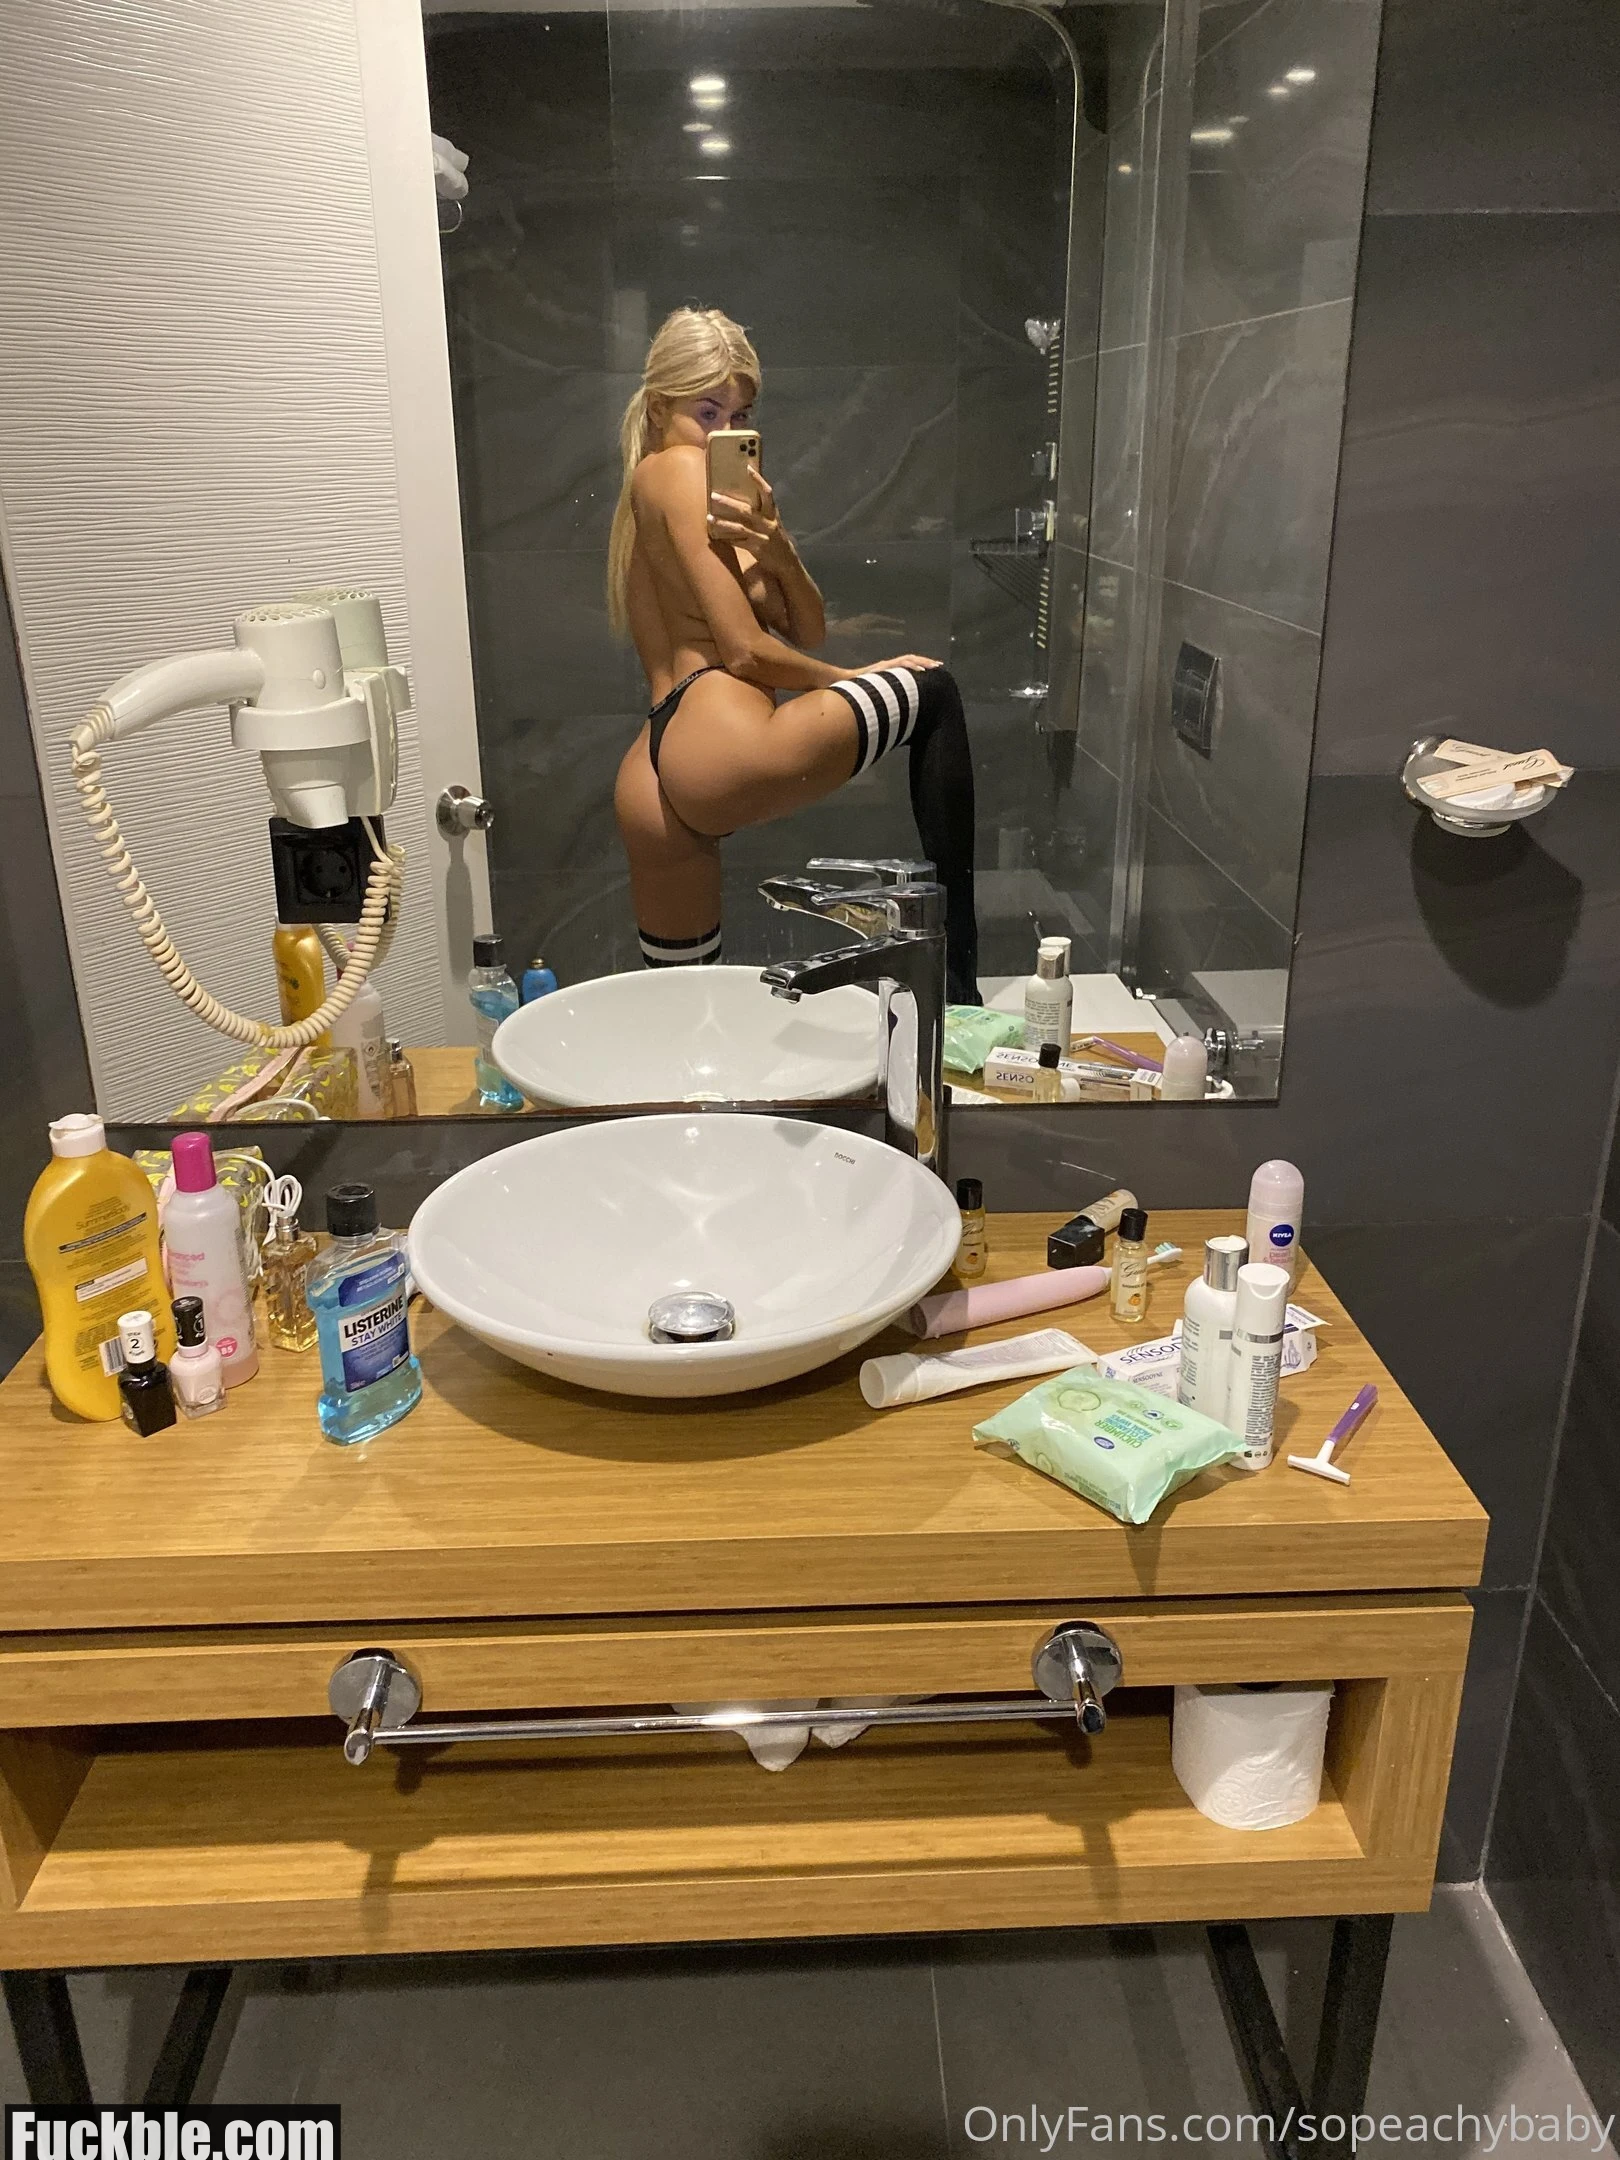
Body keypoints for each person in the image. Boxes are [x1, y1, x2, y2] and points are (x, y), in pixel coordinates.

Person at [609, 305, 979, 1000]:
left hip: (652, 774)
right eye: (707, 412)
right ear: (659, 406)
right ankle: (961, 996)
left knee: (683, 1009)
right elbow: (748, 653)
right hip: (721, 739)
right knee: (932, 693)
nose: (723, 432)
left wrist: (776, 544)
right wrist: (851, 677)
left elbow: (806, 628)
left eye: (740, 416)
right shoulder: (680, 469)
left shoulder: (653, 496)